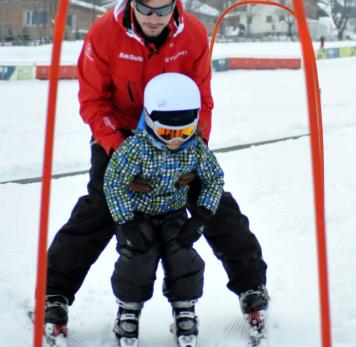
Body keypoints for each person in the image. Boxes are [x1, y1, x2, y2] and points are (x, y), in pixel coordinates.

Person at [42, 0, 269, 340]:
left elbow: (202, 98)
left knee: (213, 201)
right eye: (146, 9)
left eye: (163, 10)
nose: (154, 18)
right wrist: (121, 153)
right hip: (120, 137)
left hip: (178, 137)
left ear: (175, 6)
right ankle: (53, 292)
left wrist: (195, 146)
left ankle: (252, 287)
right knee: (102, 204)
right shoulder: (104, 33)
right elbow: (93, 100)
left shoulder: (192, 34)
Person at [105, 73, 223, 346]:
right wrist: (126, 222)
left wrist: (201, 216)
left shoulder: (194, 149)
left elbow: (214, 178)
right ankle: (128, 310)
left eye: (184, 132)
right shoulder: (135, 148)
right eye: (168, 133)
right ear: (149, 119)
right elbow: (113, 182)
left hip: (174, 215)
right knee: (137, 258)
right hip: (139, 216)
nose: (176, 140)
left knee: (184, 258)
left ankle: (185, 308)